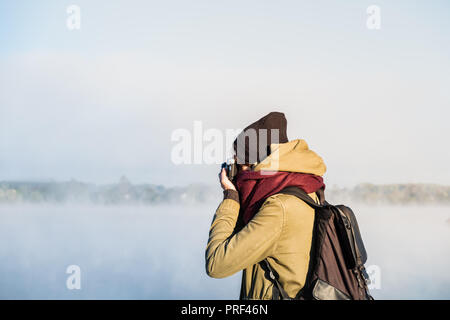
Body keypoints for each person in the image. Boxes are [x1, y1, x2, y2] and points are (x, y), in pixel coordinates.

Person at [205, 112, 327, 300]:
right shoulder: (305, 188)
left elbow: (216, 264)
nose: (239, 175)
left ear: (258, 165)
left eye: (242, 165)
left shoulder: (278, 208)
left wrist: (230, 197)